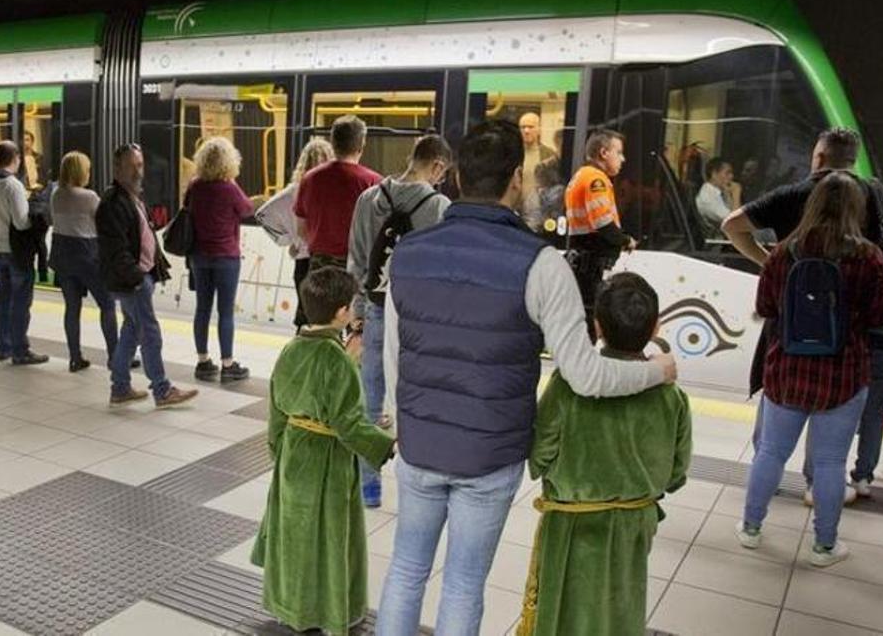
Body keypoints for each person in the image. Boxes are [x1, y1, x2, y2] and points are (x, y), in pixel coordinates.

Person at [375, 121, 676, 636]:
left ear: (456, 178)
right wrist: (656, 370)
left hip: (420, 445)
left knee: (405, 569)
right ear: (517, 178)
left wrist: (403, 424)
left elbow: (395, 354)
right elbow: (583, 373)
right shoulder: (539, 264)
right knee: (464, 584)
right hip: (489, 457)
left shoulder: (410, 253)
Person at [722, 129, 883, 503]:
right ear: (852, 160)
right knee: (835, 411)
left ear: (818, 158)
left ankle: (764, 480)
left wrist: (770, 262)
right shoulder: (879, 197)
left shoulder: (794, 195)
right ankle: (823, 486)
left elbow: (732, 225)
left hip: (792, 326)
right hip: (852, 334)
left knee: (776, 409)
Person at [518, 273, 691, 636]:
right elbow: (676, 474)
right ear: (657, 325)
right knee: (619, 608)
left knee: (563, 610)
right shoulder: (671, 396)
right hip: (633, 524)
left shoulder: (568, 384)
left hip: (570, 521)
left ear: (596, 326)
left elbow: (540, 454)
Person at [736, 172, 883, 568]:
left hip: (787, 369)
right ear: (855, 209)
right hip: (843, 374)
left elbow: (767, 308)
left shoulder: (785, 252)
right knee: (830, 463)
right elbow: (878, 317)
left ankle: (751, 528)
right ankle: (824, 546)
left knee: (770, 451)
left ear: (812, 205)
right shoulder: (869, 257)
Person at [251, 266, 396, 636]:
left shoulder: (291, 349)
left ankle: (289, 606)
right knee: (329, 536)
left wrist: (279, 452)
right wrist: (384, 444)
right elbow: (347, 424)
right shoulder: (337, 361)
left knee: (294, 534)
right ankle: (330, 611)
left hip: (293, 453)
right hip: (328, 461)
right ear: (342, 313)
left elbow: (277, 410)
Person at [346, 134, 452, 509]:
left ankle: (368, 488)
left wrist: (357, 315)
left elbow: (357, 261)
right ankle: (415, 490)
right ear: (437, 166)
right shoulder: (440, 207)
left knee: (370, 401)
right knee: (416, 400)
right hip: (418, 315)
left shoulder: (369, 198)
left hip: (376, 307)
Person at [96, 143, 197, 408]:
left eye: (140, 165)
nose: (138, 171)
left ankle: (120, 388)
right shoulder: (112, 203)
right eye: (132, 166)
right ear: (117, 168)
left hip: (138, 277)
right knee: (150, 333)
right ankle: (162, 390)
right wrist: (139, 278)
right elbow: (115, 250)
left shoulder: (133, 197)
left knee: (131, 331)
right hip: (132, 281)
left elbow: (144, 236)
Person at [186, 137, 255, 383]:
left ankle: (203, 362)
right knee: (225, 312)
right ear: (229, 162)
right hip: (226, 257)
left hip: (200, 257)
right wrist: (233, 183)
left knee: (202, 308)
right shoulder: (229, 188)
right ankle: (228, 365)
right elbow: (247, 209)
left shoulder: (195, 186)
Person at [0, 141, 47, 366]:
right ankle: (20, 350)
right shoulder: (12, 186)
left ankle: (3, 347)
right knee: (20, 302)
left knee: (2, 300)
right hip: (17, 252)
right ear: (15, 158)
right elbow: (22, 222)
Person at [50, 151, 120, 373]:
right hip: (87, 256)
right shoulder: (88, 197)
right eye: (87, 169)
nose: (89, 173)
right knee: (107, 305)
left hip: (62, 255)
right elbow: (105, 223)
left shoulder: (55, 194)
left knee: (72, 308)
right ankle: (114, 356)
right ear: (80, 171)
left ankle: (75, 357)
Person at [564, 129, 637, 340]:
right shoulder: (597, 179)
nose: (622, 159)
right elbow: (603, 223)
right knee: (588, 322)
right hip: (590, 263)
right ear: (604, 153)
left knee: (581, 318)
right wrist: (625, 240)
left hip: (581, 261)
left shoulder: (581, 175)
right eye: (619, 152)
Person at [256, 139, 335, 331]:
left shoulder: (294, 190)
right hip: (329, 261)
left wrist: (288, 239)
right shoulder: (331, 190)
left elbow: (262, 214)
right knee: (328, 320)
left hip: (302, 262)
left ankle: (300, 356)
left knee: (305, 315)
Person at [294, 115, 381, 272]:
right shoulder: (373, 182)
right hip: (356, 265)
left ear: (333, 143)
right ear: (361, 145)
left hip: (319, 265)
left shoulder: (310, 178)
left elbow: (301, 229)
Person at [518, 112, 558, 231]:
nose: (526, 131)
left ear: (539, 129)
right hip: (515, 209)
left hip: (539, 213)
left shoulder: (549, 155)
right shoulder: (513, 153)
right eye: (523, 127)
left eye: (531, 127)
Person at [695, 157, 741, 235]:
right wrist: (736, 194)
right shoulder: (707, 198)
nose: (731, 177)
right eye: (727, 173)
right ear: (714, 174)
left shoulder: (719, 193)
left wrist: (729, 195)